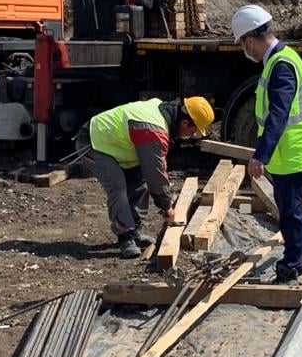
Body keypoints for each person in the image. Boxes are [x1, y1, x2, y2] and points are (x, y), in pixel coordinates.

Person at [232, 4, 302, 284]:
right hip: (296, 151)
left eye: (242, 44)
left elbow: (278, 115)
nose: (244, 50)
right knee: (292, 207)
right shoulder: (282, 58)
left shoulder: (280, 66)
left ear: (250, 40)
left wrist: (261, 155)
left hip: (294, 154)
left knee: (289, 212)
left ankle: (294, 263)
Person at [76, 96, 214, 259]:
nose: (191, 136)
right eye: (193, 131)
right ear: (184, 123)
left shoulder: (162, 113)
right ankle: (125, 236)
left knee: (139, 180)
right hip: (94, 143)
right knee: (118, 187)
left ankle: (134, 229)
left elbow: (152, 169)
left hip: (115, 145)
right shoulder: (154, 131)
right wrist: (166, 206)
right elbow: (155, 174)